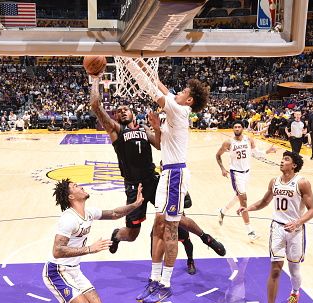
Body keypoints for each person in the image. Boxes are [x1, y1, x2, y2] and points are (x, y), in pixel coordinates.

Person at [89, 77, 225, 274]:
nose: (121, 112)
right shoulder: (116, 130)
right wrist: (95, 79)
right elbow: (95, 105)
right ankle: (117, 235)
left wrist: (155, 128)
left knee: (178, 216)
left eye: (125, 109)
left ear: (133, 113)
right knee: (133, 234)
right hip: (134, 186)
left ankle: (206, 238)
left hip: (153, 180)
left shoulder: (144, 130)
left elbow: (161, 145)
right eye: (118, 111)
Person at [120, 59, 211, 303]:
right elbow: (160, 86)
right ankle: (154, 278)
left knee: (170, 229)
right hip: (166, 174)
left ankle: (166, 284)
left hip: (176, 175)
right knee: (158, 227)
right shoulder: (176, 108)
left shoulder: (180, 110)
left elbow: (152, 89)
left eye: (183, 92)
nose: (178, 92)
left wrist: (130, 63)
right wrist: (142, 61)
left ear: (189, 100)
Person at [44, 178, 143, 303]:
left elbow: (114, 213)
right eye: (75, 186)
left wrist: (134, 206)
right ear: (71, 197)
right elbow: (58, 250)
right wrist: (90, 249)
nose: (80, 186)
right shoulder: (68, 219)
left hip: (73, 270)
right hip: (57, 271)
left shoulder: (87, 213)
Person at [237, 151, 313, 303]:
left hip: (296, 230)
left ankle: (295, 293)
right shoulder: (274, 181)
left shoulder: (302, 183)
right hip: (278, 228)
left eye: (286, 159)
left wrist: (297, 222)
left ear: (294, 165)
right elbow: (264, 202)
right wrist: (247, 208)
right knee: (275, 269)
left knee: (294, 269)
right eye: (282, 159)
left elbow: (312, 210)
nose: (282, 161)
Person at [217, 120, 276, 241]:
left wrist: (267, 152)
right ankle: (250, 232)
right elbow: (218, 155)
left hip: (247, 173)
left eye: (239, 127)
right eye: (235, 127)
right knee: (243, 201)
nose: (237, 128)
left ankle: (223, 211)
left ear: (242, 128)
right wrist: (223, 168)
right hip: (236, 174)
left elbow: (256, 153)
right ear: (233, 129)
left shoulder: (249, 140)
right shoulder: (228, 142)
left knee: (238, 196)